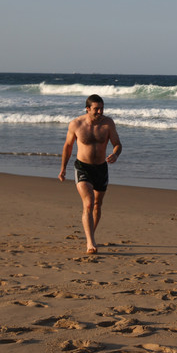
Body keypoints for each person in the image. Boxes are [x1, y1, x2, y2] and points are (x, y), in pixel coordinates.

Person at [59, 94, 122, 254]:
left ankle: (90, 234)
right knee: (88, 203)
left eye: (102, 108)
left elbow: (117, 144)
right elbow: (68, 146)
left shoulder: (108, 123)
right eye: (96, 109)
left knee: (97, 205)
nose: (100, 112)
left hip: (101, 168)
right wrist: (63, 168)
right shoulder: (76, 124)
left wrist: (115, 154)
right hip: (83, 167)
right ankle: (90, 243)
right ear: (87, 108)